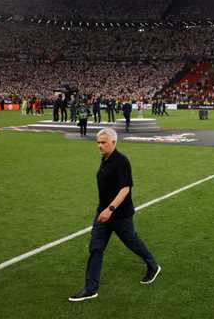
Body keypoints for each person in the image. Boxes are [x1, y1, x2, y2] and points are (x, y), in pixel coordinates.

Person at [69, 128, 160, 302]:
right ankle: (90, 288)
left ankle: (153, 266)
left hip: (119, 215)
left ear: (114, 142)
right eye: (98, 142)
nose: (99, 146)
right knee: (95, 248)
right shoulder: (105, 159)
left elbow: (125, 188)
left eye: (103, 142)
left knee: (132, 243)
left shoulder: (121, 161)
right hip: (102, 213)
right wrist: (103, 210)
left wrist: (110, 209)